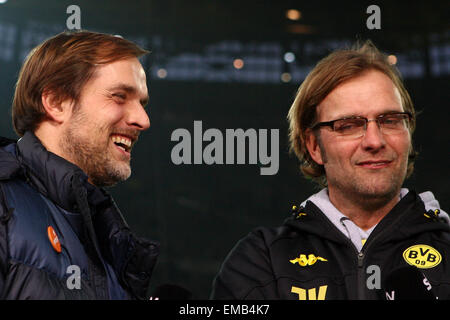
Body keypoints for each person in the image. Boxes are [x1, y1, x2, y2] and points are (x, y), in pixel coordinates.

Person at [211, 41, 450, 300]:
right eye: (348, 125)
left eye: (390, 120)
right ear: (314, 146)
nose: (374, 141)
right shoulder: (261, 260)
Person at [0, 31, 159, 299]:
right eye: (119, 96)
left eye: (142, 103)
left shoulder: (109, 243)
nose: (143, 120)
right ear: (56, 102)